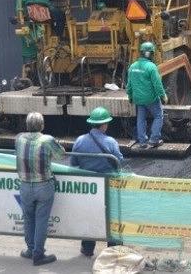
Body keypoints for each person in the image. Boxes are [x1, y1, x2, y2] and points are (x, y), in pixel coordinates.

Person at [71, 107, 123, 257]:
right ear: (104, 124)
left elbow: (74, 163)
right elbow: (119, 161)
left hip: (89, 187)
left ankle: (87, 248)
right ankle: (113, 249)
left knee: (90, 215)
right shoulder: (111, 142)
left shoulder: (80, 141)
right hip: (109, 187)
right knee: (112, 216)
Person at [15, 112, 66, 266]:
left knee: (28, 219)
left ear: (27, 125)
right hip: (44, 186)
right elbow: (61, 155)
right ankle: (38, 254)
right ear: (42, 125)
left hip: (24, 186)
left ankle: (30, 250)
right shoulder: (47, 140)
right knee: (41, 221)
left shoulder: (19, 138)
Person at [127, 42, 166, 149]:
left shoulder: (132, 66)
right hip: (150, 99)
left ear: (141, 53)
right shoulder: (151, 67)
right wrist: (163, 96)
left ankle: (142, 142)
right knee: (158, 116)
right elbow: (157, 84)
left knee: (141, 119)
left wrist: (130, 96)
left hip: (138, 99)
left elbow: (129, 85)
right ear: (150, 54)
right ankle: (154, 139)